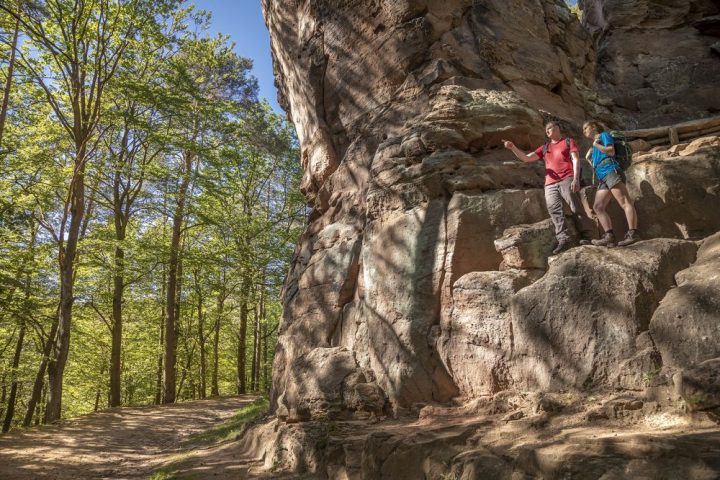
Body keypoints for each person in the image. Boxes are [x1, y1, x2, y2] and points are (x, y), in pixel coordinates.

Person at [503, 122, 594, 254]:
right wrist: (513, 148)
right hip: (550, 183)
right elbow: (526, 158)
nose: (547, 131)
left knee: (575, 206)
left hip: (567, 178)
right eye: (546, 130)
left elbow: (575, 159)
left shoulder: (568, 142)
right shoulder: (545, 147)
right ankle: (564, 239)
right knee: (554, 210)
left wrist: (575, 178)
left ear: (557, 128)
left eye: (549, 128)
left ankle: (587, 236)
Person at [582, 121, 639, 247]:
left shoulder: (603, 136)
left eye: (585, 127)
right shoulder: (595, 144)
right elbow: (596, 166)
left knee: (624, 202)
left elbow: (611, 151)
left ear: (593, 127)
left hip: (611, 171)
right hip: (603, 176)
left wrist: (596, 145)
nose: (584, 130)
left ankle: (633, 233)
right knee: (598, 207)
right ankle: (609, 236)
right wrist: (588, 159)